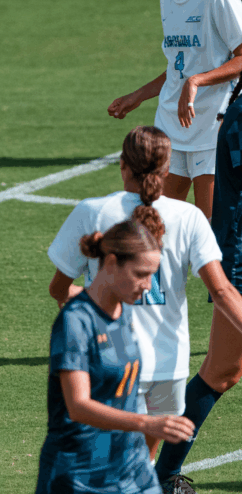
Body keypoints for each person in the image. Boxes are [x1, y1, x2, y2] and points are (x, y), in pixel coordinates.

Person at [47, 126, 242, 467]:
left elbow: (58, 289)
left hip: (109, 361)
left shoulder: (92, 212)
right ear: (167, 170)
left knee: (99, 467)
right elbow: (223, 292)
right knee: (140, 469)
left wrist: (83, 295)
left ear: (123, 165)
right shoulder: (190, 217)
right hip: (169, 366)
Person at [37, 220, 196, 494]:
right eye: (140, 274)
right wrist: (148, 422)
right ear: (110, 263)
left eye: (152, 275)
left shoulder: (125, 312)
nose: (148, 286)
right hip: (79, 473)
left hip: (131, 467)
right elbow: (78, 405)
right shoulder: (75, 322)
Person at [108, 0, 242, 220]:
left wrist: (197, 81)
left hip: (211, 130)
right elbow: (179, 65)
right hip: (172, 126)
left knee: (209, 231)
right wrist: (138, 95)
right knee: (160, 223)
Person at [153, 90, 242, 494]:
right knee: (222, 371)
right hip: (240, 258)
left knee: (222, 371)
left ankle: (160, 474)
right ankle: (158, 476)